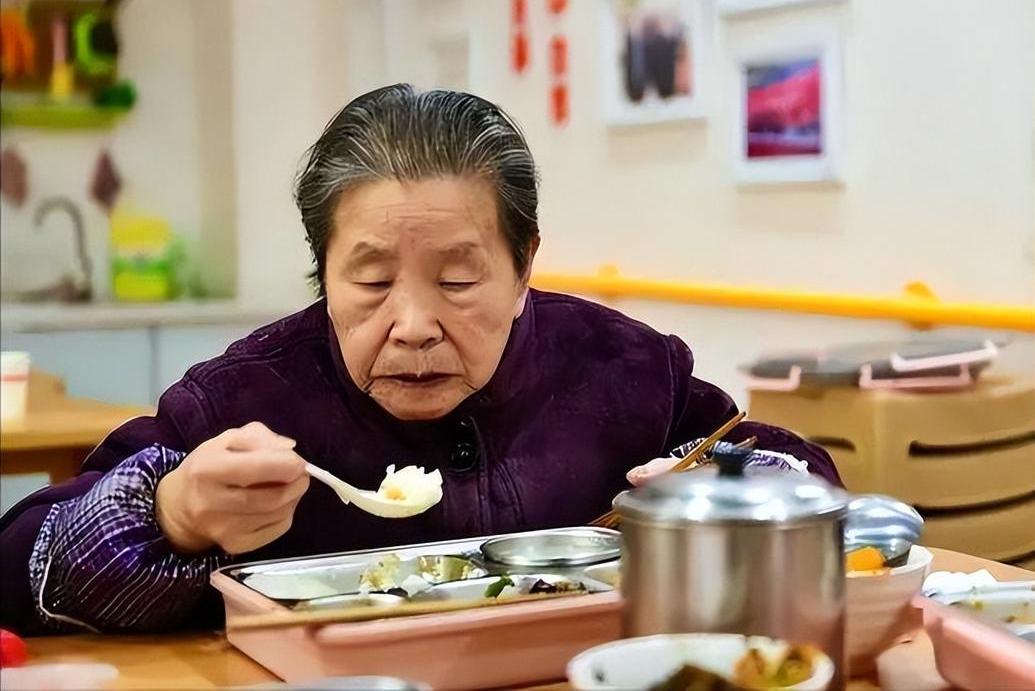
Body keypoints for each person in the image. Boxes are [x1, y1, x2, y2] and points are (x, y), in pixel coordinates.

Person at [0, 85, 840, 634]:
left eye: (460, 278)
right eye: (368, 280)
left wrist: (734, 493)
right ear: (321, 272)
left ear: (522, 269)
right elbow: (19, 568)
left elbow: (788, 469)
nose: (411, 326)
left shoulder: (621, 366)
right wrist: (173, 516)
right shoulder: (243, 400)